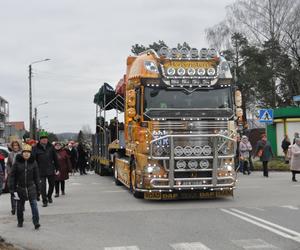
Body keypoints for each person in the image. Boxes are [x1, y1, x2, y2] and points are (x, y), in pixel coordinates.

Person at [9, 144, 40, 229]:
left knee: (34, 205)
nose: (26, 154)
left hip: (31, 187)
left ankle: (36, 222)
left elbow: (37, 177)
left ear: (30, 154)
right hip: (20, 188)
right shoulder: (17, 162)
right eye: (25, 152)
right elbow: (12, 176)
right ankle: (20, 221)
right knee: (20, 207)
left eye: (28, 152)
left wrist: (38, 189)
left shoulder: (33, 162)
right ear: (22, 153)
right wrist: (12, 189)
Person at [32, 131, 59, 207]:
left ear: (47, 139)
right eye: (43, 139)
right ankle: (44, 201)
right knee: (42, 187)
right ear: (40, 140)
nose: (44, 140)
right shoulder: (35, 148)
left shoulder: (51, 147)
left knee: (52, 185)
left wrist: (57, 168)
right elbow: (33, 160)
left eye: (45, 138)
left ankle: (49, 196)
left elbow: (55, 158)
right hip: (40, 170)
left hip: (50, 169)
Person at [6, 141, 22, 215]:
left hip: (20, 175)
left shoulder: (22, 153)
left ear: (19, 146)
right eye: (14, 145)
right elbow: (8, 164)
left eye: (17, 145)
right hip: (12, 175)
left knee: (20, 191)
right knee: (12, 191)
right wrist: (9, 171)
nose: (15, 147)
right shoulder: (10, 154)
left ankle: (21, 205)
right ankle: (13, 207)